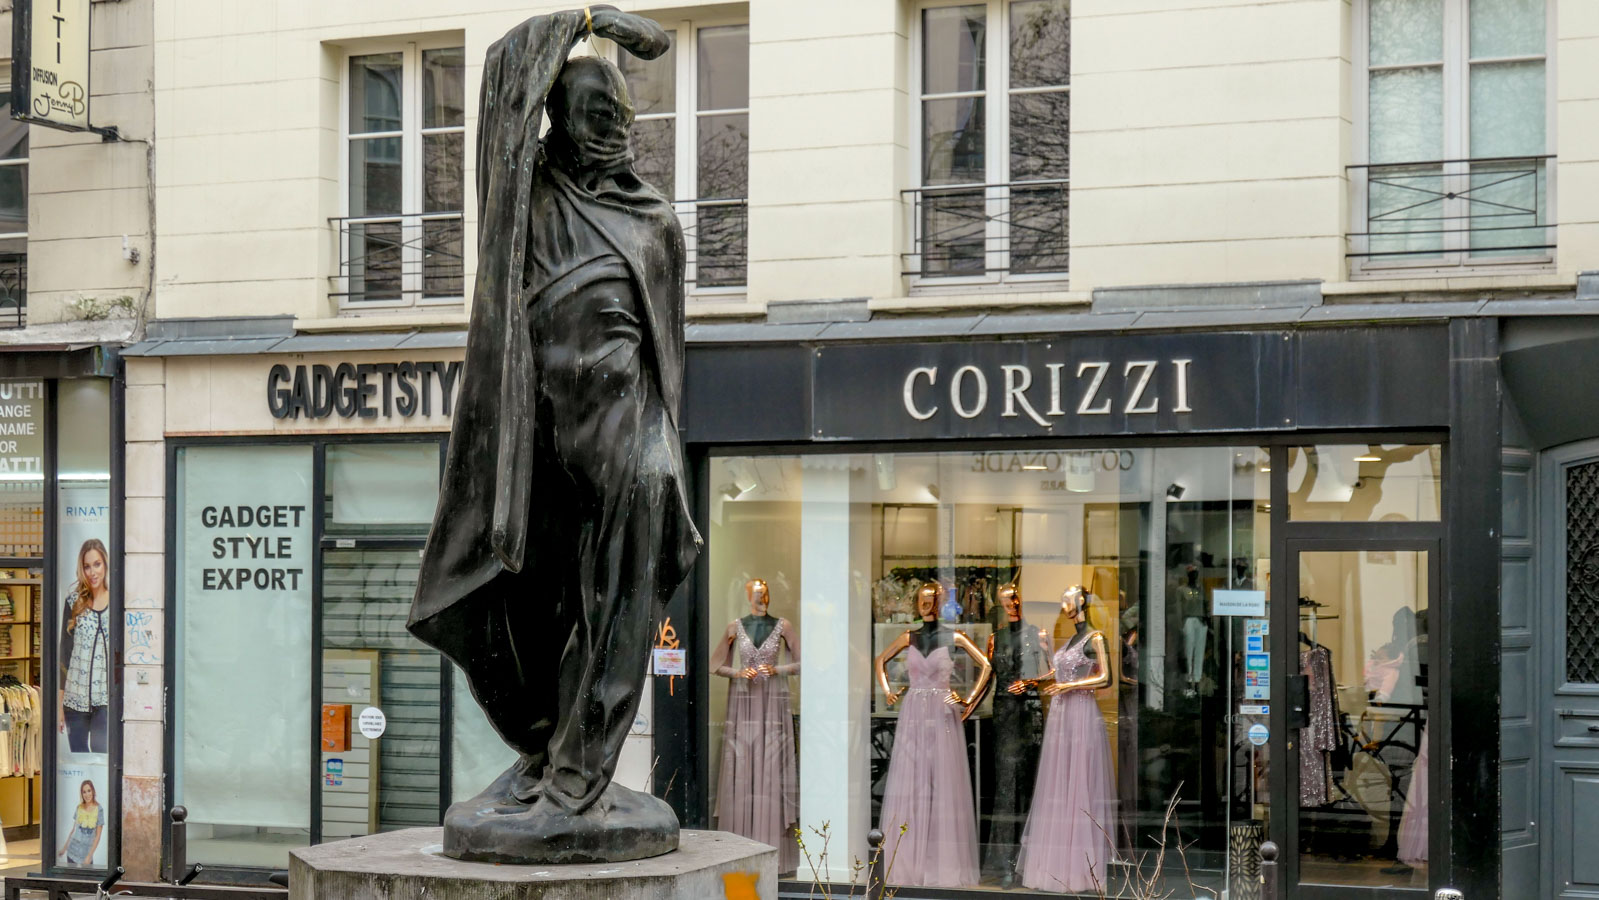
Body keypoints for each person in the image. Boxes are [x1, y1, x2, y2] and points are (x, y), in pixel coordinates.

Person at [406, 6, 700, 863]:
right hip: (534, 436)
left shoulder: (654, 222)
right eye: (595, 115)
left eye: (622, 117)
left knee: (620, 587)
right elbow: (501, 88)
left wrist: (655, 451)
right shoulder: (525, 197)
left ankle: (577, 778)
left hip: (625, 436)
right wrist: (586, 22)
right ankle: (543, 753)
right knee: (516, 608)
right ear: (555, 122)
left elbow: (666, 360)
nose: (614, 131)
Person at [59, 539, 110, 754]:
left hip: (105, 700)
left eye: (97, 564)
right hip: (74, 701)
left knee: (102, 755)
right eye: (87, 566)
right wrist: (59, 706)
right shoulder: (73, 603)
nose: (92, 572)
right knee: (79, 757)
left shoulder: (117, 603)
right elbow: (64, 655)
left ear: (105, 564)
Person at [57, 779, 103, 866]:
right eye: (84, 792)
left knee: (88, 874)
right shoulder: (79, 808)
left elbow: (98, 836)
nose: (87, 794)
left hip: (86, 855)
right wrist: (64, 848)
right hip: (72, 852)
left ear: (93, 791)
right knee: (71, 874)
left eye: (89, 791)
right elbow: (73, 830)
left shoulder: (99, 809)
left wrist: (89, 856)